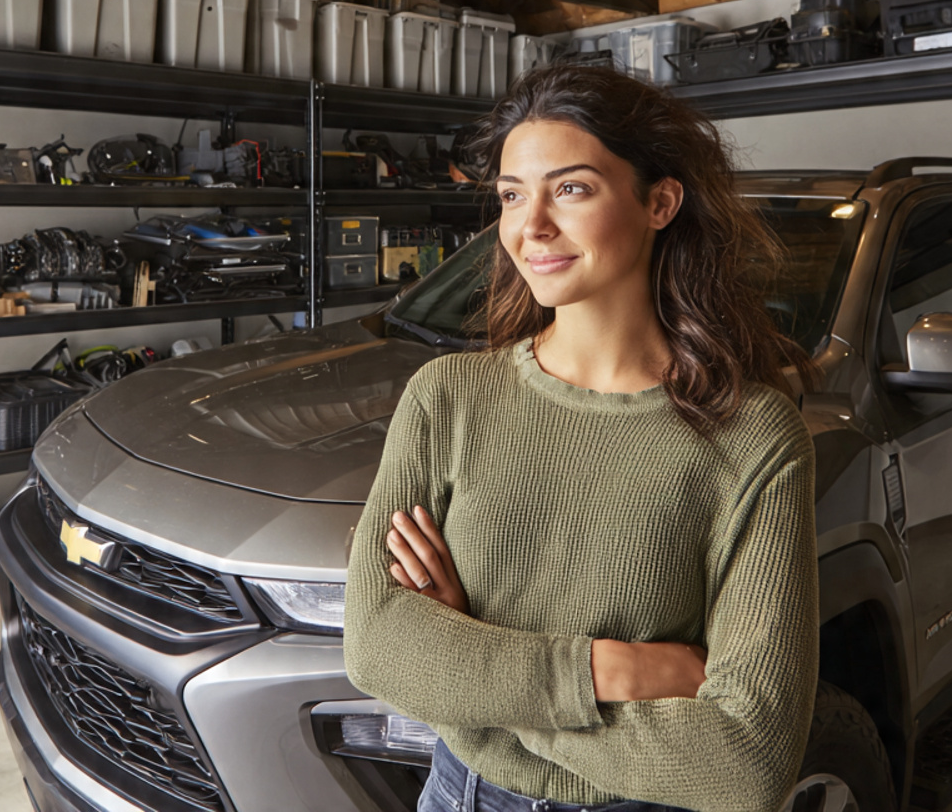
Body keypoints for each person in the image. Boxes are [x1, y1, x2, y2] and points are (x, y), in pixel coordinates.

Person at [343, 62, 819, 812]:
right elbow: (375, 644)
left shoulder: (753, 436)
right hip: (462, 795)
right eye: (510, 195)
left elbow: (746, 761)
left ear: (659, 202)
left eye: (571, 188)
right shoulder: (448, 398)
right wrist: (610, 671)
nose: (529, 227)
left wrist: (471, 665)